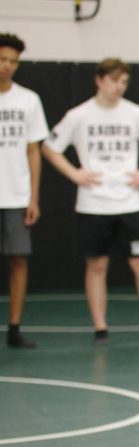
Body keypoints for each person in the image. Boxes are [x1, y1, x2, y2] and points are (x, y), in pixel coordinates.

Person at [42, 58, 139, 345]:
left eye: (124, 82)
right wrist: (74, 173)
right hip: (93, 204)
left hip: (129, 203)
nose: (118, 87)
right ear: (99, 80)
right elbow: (50, 147)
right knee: (97, 265)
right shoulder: (79, 115)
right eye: (113, 80)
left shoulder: (135, 113)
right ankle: (100, 329)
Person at [0, 33, 48, 348]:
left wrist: (33, 196)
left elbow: (34, 151)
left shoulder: (28, 100)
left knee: (18, 260)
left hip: (16, 194)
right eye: (3, 59)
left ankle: (14, 327)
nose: (7, 66)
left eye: (13, 61)